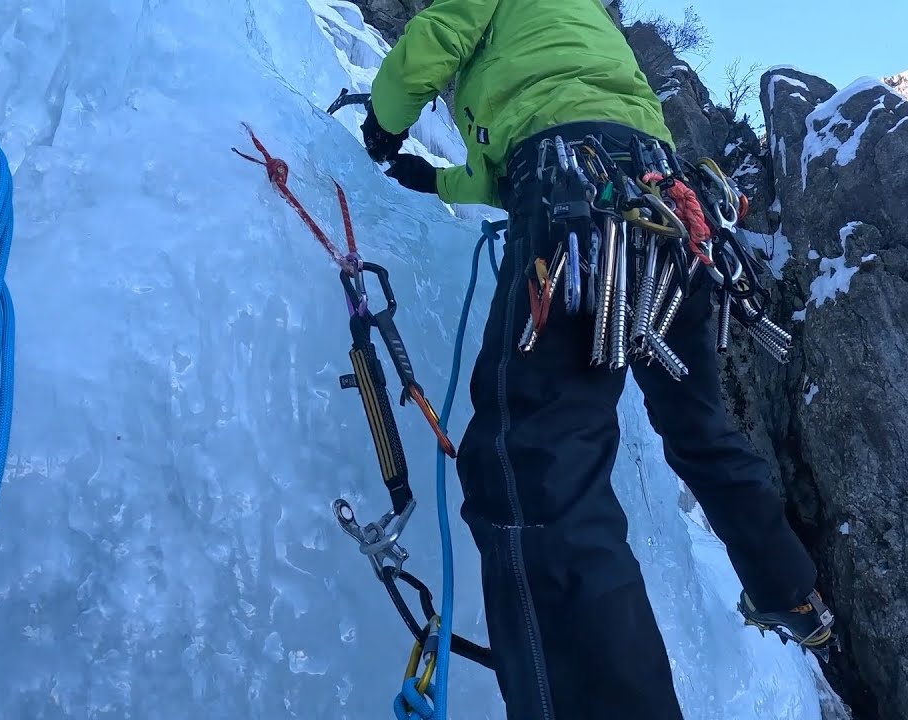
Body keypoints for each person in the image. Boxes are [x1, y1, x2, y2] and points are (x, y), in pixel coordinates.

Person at [359, 0, 837, 717]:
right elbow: (518, 156)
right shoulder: (593, 28)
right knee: (698, 422)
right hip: (665, 198)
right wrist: (439, 183)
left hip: (566, 192)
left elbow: (435, 43)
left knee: (534, 458)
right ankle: (791, 591)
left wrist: (381, 126)